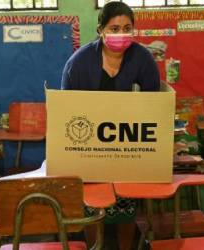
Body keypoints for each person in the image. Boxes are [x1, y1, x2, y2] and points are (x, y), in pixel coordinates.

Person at [61, 2, 161, 249]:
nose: (121, 34)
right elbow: (66, 113)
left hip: (125, 145)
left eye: (127, 28)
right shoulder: (79, 63)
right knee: (92, 204)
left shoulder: (142, 58)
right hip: (88, 149)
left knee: (126, 203)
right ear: (100, 30)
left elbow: (155, 105)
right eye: (114, 28)